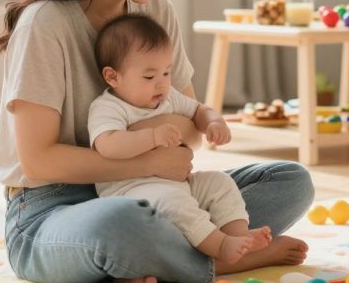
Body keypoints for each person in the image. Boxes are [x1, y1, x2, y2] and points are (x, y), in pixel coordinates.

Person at [0, 0, 312, 283]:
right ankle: (219, 259)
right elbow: (39, 161)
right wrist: (145, 159)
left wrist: (149, 150)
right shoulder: (45, 23)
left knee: (289, 180)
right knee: (120, 223)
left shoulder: (156, 12)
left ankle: (150, 260)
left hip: (161, 191)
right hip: (51, 207)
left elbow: (191, 130)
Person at [89, 13, 272, 265]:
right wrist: (152, 136)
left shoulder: (168, 97)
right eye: (149, 77)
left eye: (167, 72)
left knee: (220, 182)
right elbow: (107, 145)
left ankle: (238, 238)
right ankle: (219, 246)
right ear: (112, 77)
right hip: (133, 192)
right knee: (175, 203)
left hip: (179, 183)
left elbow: (198, 110)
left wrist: (214, 122)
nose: (161, 84)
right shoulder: (108, 107)